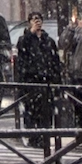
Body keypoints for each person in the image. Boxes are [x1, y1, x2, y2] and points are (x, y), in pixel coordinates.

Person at [15, 13, 62, 148]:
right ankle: (33, 138)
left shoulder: (49, 41)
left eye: (39, 20)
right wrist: (31, 34)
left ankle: (44, 138)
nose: (37, 23)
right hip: (31, 83)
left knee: (46, 113)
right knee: (31, 112)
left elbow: (55, 62)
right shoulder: (25, 40)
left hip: (46, 83)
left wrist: (56, 81)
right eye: (34, 20)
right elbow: (22, 54)